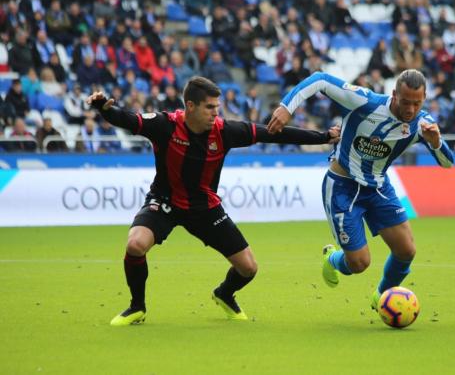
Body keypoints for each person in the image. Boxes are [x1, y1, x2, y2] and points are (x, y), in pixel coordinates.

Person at [86, 76, 339, 326]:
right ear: (190, 106)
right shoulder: (166, 125)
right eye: (209, 107)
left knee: (248, 268)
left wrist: (323, 136)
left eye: (217, 107)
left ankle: (224, 294)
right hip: (165, 202)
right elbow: (127, 119)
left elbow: (272, 135)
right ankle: (136, 307)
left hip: (205, 208)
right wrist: (103, 108)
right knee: (135, 244)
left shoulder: (225, 131)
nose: (215, 113)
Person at [267, 69, 454, 310]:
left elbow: (447, 163)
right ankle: (332, 259)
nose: (410, 109)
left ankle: (382, 296)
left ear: (425, 98)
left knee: (406, 250)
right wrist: (286, 107)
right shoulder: (365, 102)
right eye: (405, 102)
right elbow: (320, 79)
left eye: (417, 103)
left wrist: (436, 142)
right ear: (394, 94)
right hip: (342, 186)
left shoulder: (423, 123)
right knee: (359, 263)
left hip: (377, 187)